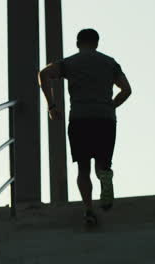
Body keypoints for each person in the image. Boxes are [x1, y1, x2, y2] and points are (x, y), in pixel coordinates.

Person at [38, 28, 132, 225]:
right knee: (102, 163)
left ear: (78, 43)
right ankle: (105, 177)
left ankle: (89, 210)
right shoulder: (109, 63)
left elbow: (44, 74)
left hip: (80, 118)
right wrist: (111, 105)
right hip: (105, 118)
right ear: (97, 43)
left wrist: (52, 106)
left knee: (83, 168)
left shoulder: (70, 63)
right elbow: (126, 89)